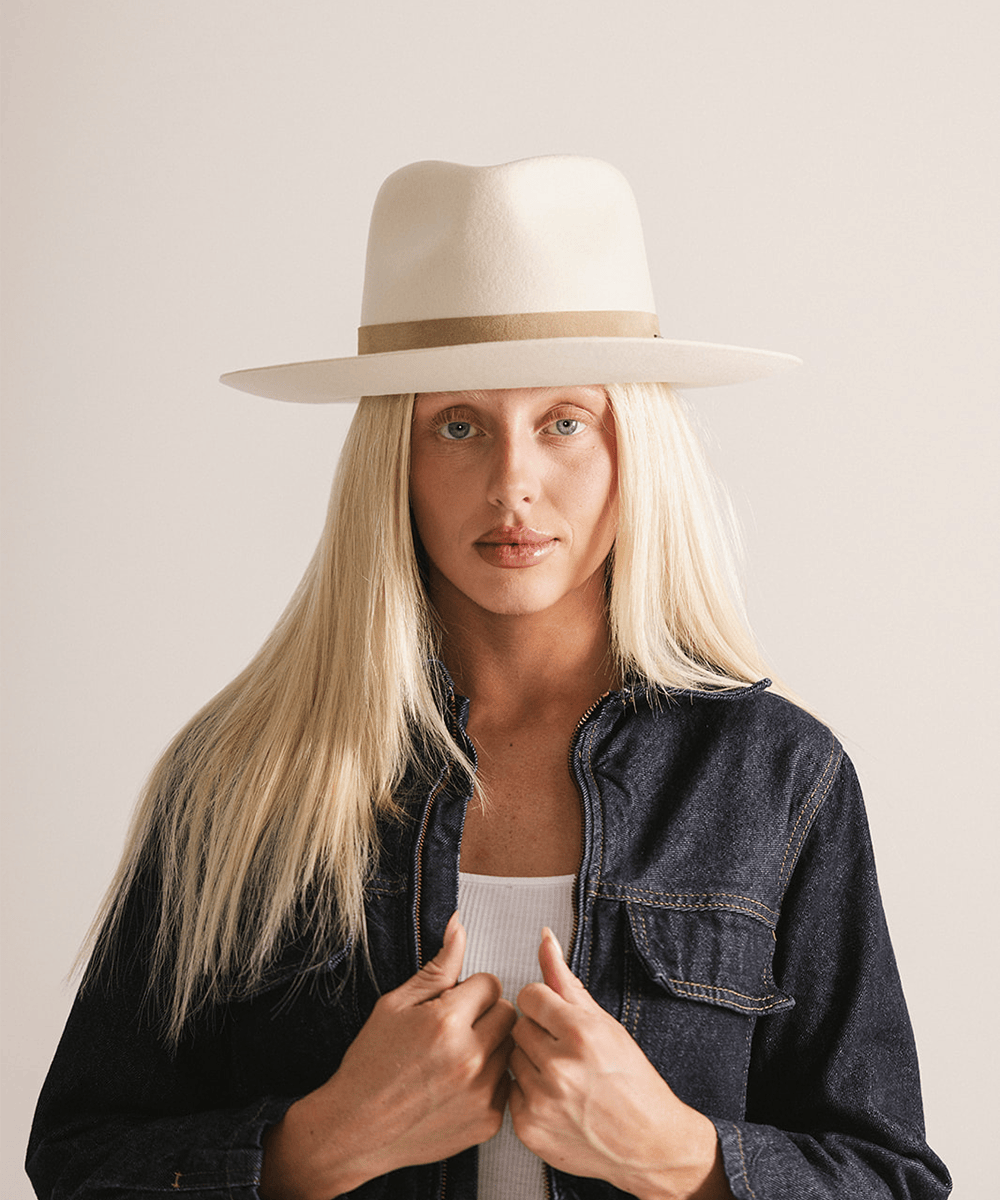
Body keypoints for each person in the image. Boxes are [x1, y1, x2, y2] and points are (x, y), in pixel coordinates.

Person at [27, 156, 951, 1200]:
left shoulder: (778, 779)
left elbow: (891, 1178)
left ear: (631, 448)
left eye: (565, 422)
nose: (513, 483)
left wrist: (682, 1159)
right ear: (395, 462)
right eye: (457, 426)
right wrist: (319, 1143)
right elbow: (77, 1158)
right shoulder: (240, 778)